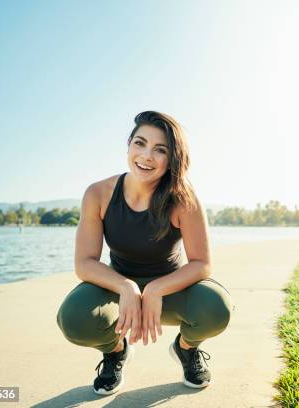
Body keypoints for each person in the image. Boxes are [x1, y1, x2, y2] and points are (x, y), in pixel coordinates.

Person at [56, 111, 233, 395]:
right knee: (75, 318)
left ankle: (186, 349)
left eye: (159, 150)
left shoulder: (183, 198)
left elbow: (201, 264)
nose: (146, 156)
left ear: (173, 158)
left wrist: (156, 289)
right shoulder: (98, 193)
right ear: (128, 145)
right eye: (140, 143)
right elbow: (85, 263)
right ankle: (115, 352)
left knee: (217, 308)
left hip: (170, 288)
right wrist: (125, 286)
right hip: (117, 286)